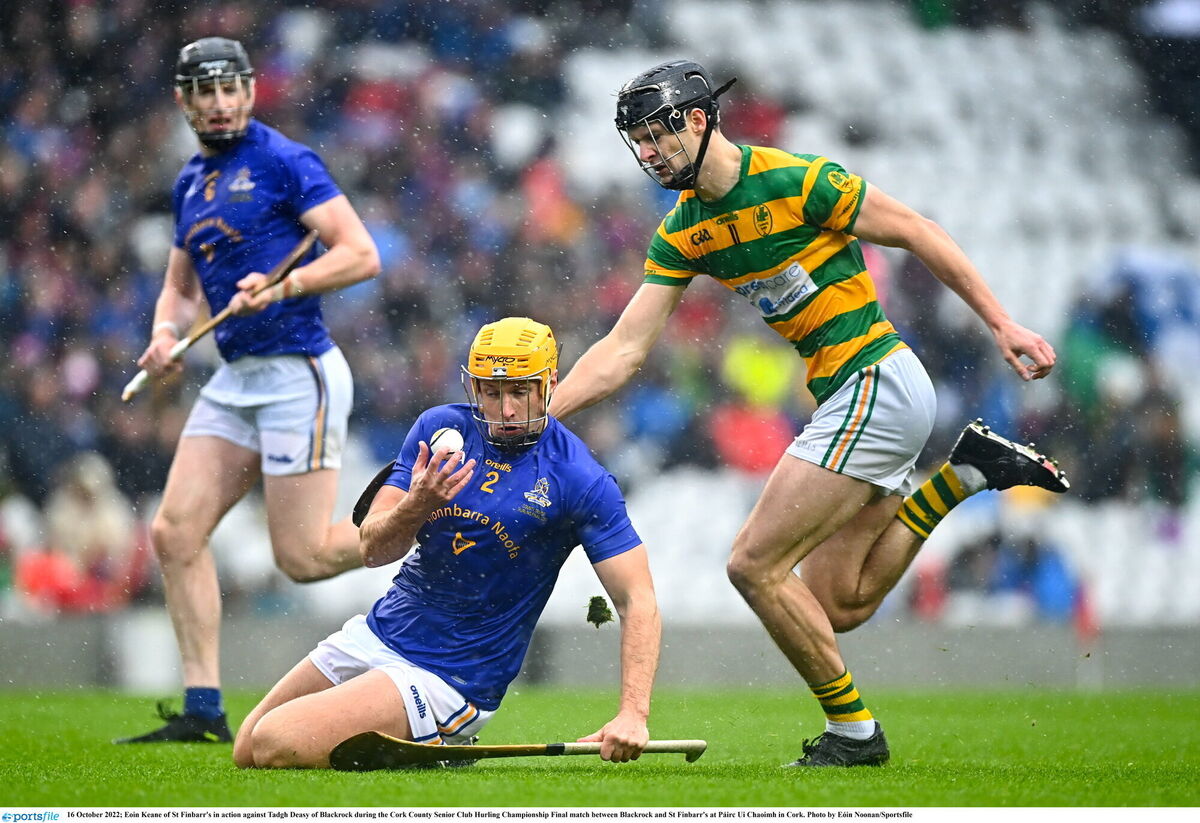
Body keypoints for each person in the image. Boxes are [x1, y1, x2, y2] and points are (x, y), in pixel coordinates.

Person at [548, 60, 1070, 767]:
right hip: (852, 395)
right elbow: (622, 350)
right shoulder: (681, 232)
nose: (645, 154)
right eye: (635, 141)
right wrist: (542, 412)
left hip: (874, 381)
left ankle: (855, 736)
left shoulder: (799, 181)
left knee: (752, 565)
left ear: (698, 121)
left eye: (654, 136)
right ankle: (965, 474)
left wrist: (1002, 324)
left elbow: (917, 229)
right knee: (839, 602)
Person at [232, 317, 660, 768]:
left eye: (520, 391)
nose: (506, 410)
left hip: (449, 677)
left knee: (276, 743)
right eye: (491, 393)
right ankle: (426, 745)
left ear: (549, 383)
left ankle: (441, 739)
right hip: (379, 632)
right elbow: (374, 549)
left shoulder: (579, 478)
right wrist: (417, 503)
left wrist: (633, 714)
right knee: (247, 749)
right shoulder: (437, 430)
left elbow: (638, 598)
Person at [117, 37, 381, 743]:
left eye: (230, 86)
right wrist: (166, 335)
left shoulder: (285, 161)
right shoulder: (190, 184)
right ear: (184, 100)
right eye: (203, 90)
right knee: (175, 533)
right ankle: (203, 707)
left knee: (302, 558)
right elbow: (178, 285)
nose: (219, 101)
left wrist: (286, 284)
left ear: (251, 89)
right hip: (235, 379)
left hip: (299, 369)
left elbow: (361, 253)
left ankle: (424, 518)